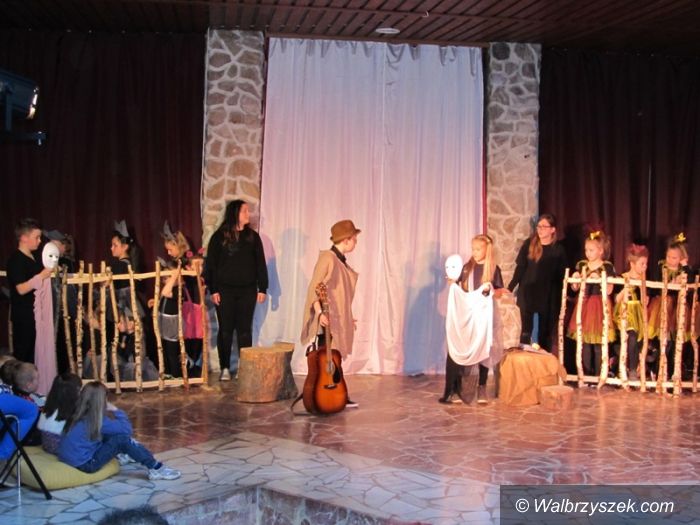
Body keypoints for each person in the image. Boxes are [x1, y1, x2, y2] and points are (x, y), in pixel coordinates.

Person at [58, 381, 181, 480]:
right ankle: (155, 468)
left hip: (69, 459)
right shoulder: (97, 420)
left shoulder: (77, 414)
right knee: (122, 440)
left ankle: (125, 454)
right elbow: (126, 431)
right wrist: (116, 410)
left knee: (110, 435)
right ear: (102, 401)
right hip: (86, 465)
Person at [300, 220, 361, 408]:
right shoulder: (328, 258)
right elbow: (315, 287)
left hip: (337, 319)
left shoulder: (339, 260)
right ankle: (324, 397)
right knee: (326, 359)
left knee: (335, 358)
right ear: (346, 240)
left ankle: (338, 395)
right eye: (354, 239)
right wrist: (320, 313)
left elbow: (339, 295)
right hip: (327, 319)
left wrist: (347, 317)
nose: (356, 242)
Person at [205, 200, 268, 381]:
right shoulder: (219, 237)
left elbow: (260, 264)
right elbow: (212, 266)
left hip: (247, 291)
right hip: (224, 291)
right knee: (225, 330)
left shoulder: (252, 237)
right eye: (244, 211)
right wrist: (213, 289)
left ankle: (244, 367)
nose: (248, 214)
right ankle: (225, 367)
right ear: (235, 214)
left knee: (244, 331)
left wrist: (262, 287)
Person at [442, 235, 505, 404]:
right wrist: (453, 284)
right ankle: (456, 389)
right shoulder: (466, 268)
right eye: (473, 249)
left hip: (484, 316)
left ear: (487, 250)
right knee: (463, 346)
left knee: (483, 348)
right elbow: (459, 287)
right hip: (467, 315)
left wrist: (490, 290)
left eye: (478, 249)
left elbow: (499, 293)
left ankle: (481, 387)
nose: (474, 252)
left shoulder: (493, 269)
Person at [508, 214, 568, 353]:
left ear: (552, 229)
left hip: (548, 294)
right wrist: (511, 286)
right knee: (526, 329)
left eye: (544, 227)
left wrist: (569, 292)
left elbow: (562, 274)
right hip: (528, 292)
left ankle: (543, 359)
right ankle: (524, 359)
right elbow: (520, 267)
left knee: (545, 331)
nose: (540, 229)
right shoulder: (529, 244)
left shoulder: (558, 249)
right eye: (538, 226)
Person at [567, 230, 616, 377]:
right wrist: (576, 279)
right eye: (586, 250)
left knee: (598, 344)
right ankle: (587, 375)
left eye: (591, 250)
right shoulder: (582, 265)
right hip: (584, 305)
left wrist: (600, 278)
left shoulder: (606, 266)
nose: (588, 253)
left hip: (599, 306)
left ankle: (598, 375)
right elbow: (574, 288)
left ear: (600, 251)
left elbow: (610, 289)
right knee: (585, 343)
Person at [646, 233, 696, 379]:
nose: (670, 260)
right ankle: (658, 369)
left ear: (681, 258)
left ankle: (673, 370)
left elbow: (691, 281)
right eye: (668, 256)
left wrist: (685, 267)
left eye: (674, 258)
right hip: (663, 306)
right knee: (664, 340)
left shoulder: (683, 269)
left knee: (674, 341)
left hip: (677, 309)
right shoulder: (661, 267)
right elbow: (655, 287)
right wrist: (669, 283)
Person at [158, 222, 203, 377]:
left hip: (188, 303)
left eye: (170, 249)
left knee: (188, 338)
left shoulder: (186, 260)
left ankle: (187, 368)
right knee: (177, 341)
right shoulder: (177, 262)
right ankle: (177, 370)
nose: (168, 252)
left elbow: (194, 278)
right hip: (179, 303)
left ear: (177, 245)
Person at [6, 218, 53, 363]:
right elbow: (21, 289)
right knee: (24, 355)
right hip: (24, 316)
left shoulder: (34, 257)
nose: (40, 241)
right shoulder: (16, 260)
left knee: (34, 355)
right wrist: (41, 276)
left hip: (35, 315)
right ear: (24, 238)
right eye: (36, 237)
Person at [613, 244, 649, 380]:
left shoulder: (643, 280)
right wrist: (625, 290)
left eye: (646, 264)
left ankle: (632, 367)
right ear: (632, 264)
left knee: (638, 341)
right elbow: (616, 299)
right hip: (626, 312)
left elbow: (644, 301)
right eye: (642, 264)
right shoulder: (622, 278)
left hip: (638, 314)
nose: (645, 267)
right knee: (631, 336)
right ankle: (632, 370)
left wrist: (645, 297)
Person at [37, 372, 82, 454]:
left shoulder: (49, 407)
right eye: (79, 390)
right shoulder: (68, 410)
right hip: (62, 447)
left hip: (46, 444)